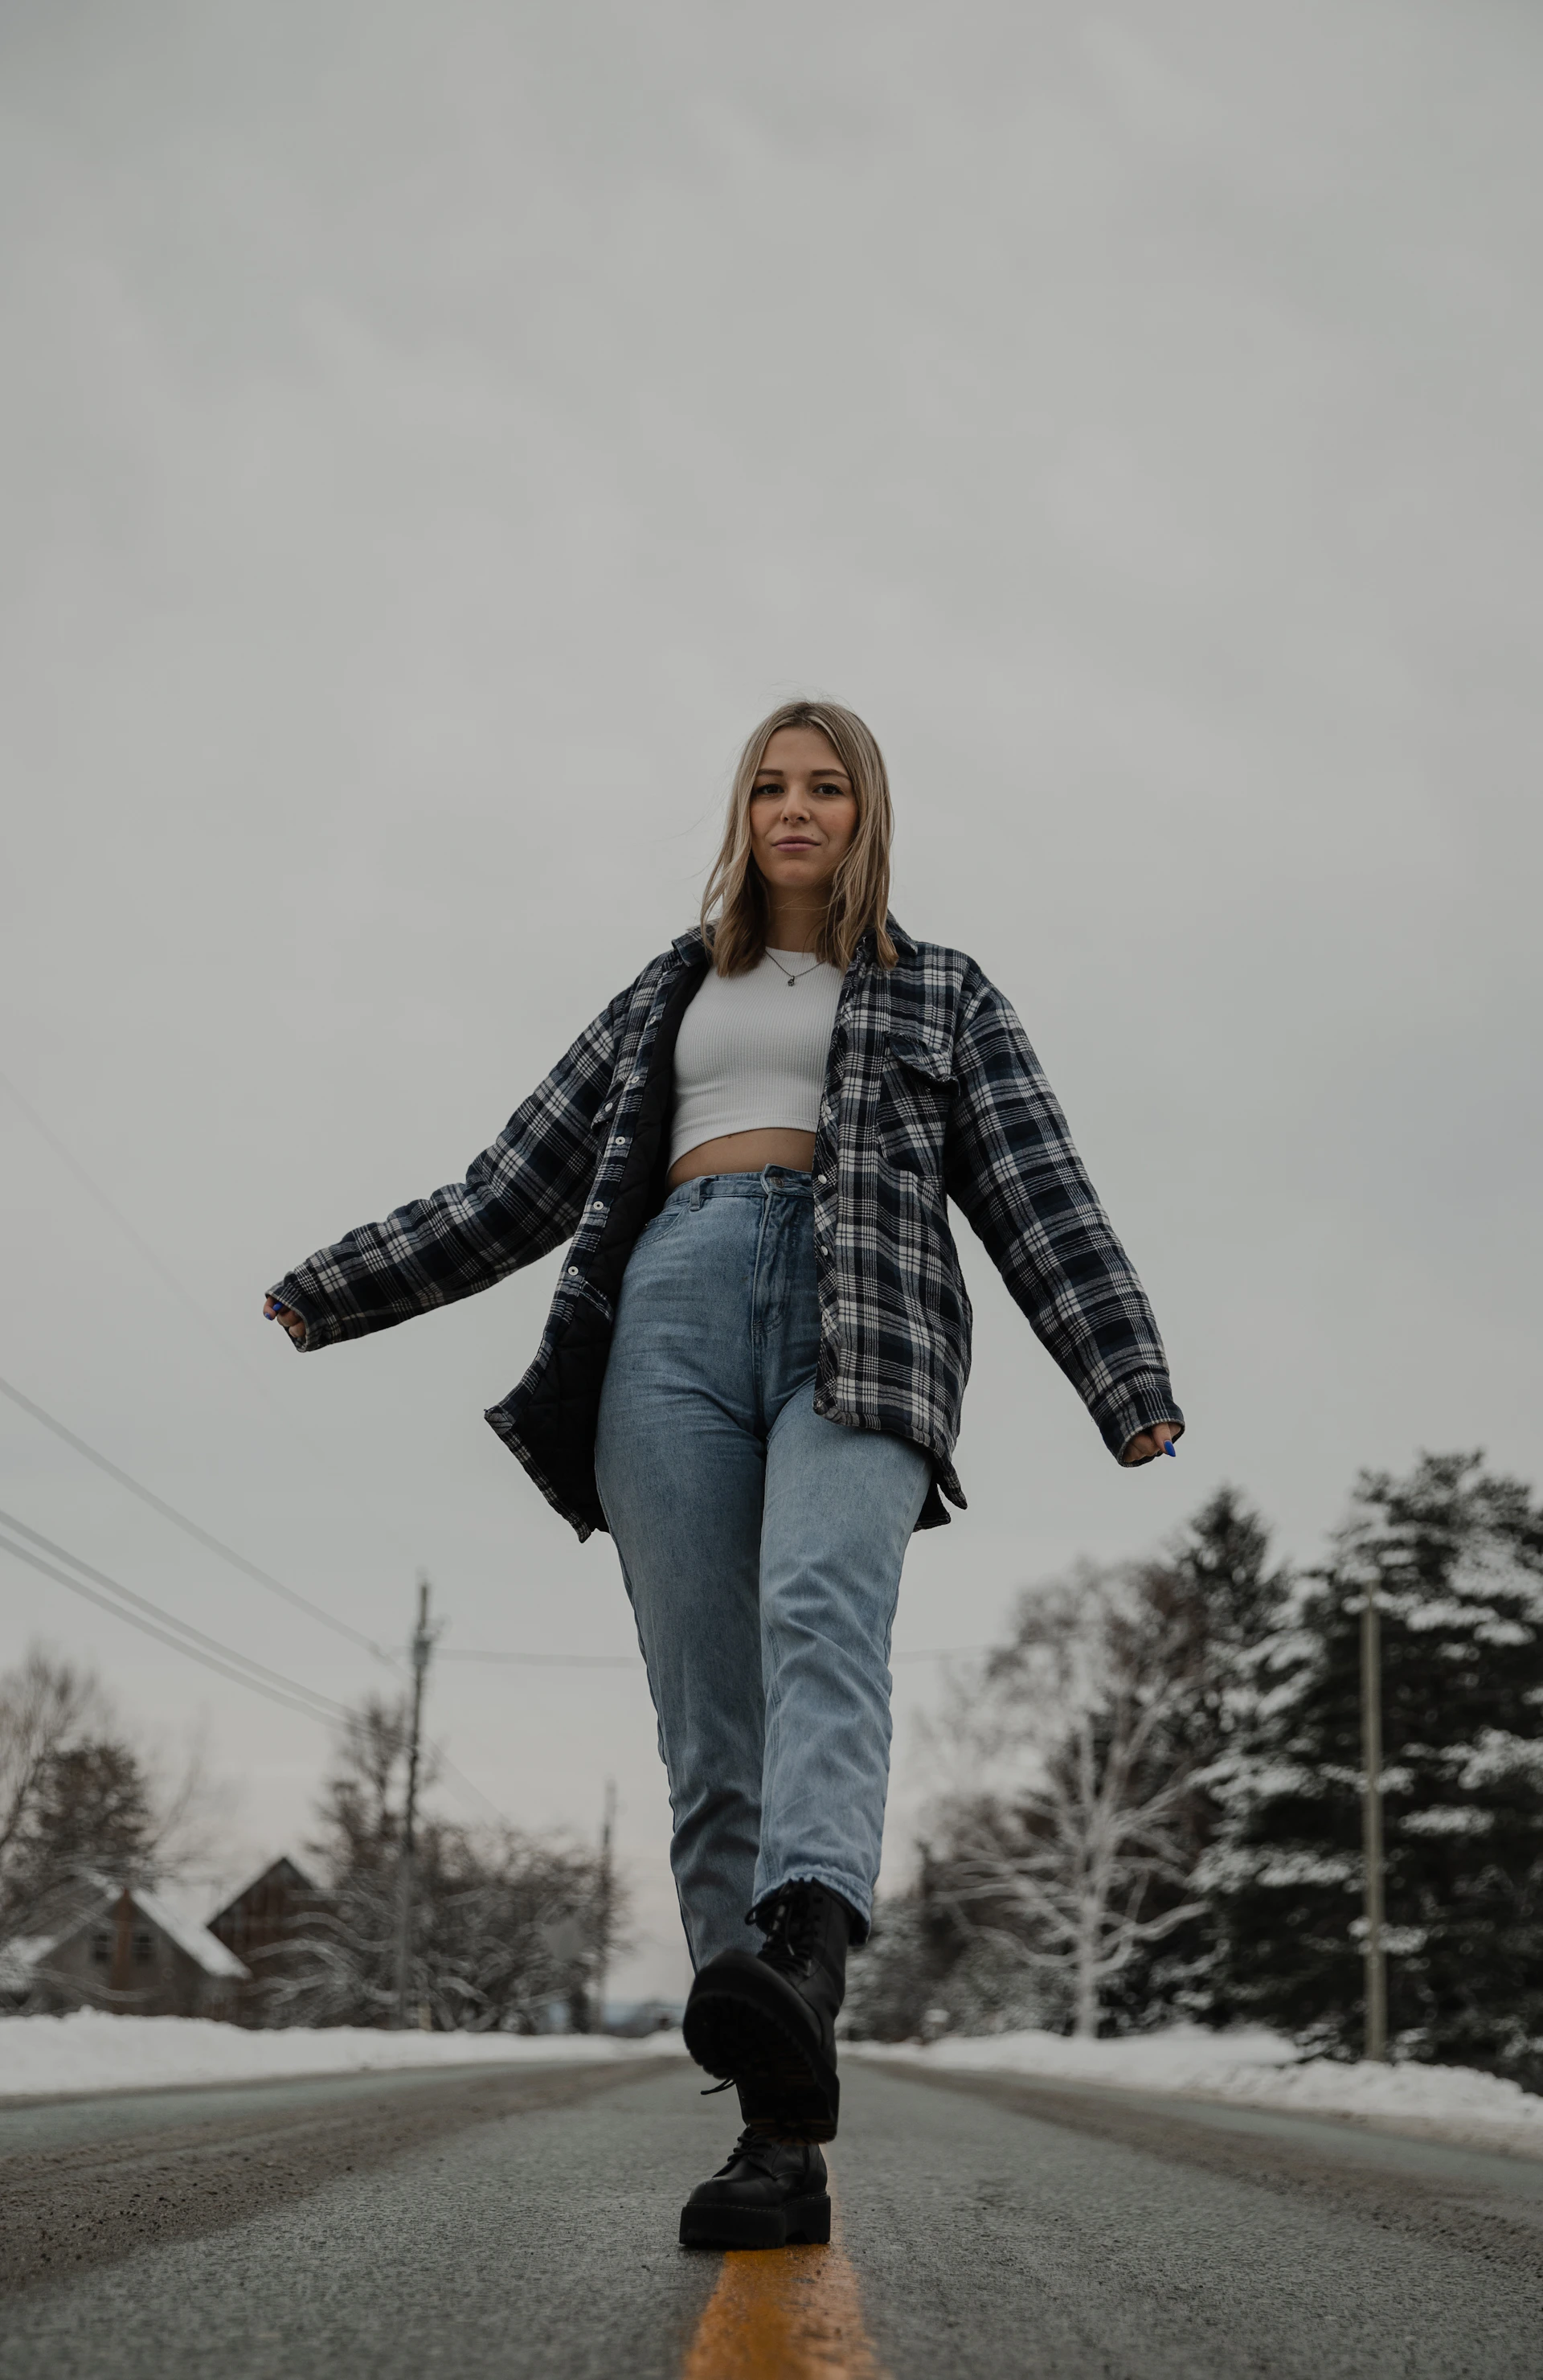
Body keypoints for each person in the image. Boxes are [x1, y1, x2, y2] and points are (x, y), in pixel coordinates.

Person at [264, 698, 1183, 2250]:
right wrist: (334, 1287)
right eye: (771, 786)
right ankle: (776, 2134)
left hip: (866, 1316)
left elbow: (1044, 1198)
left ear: (867, 813)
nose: (796, 809)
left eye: (827, 786)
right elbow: (510, 1190)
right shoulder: (667, 992)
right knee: (709, 1725)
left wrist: (1127, 1380)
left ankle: (804, 1946)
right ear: (743, 814)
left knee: (819, 1604)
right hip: (669, 1322)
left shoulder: (944, 990)